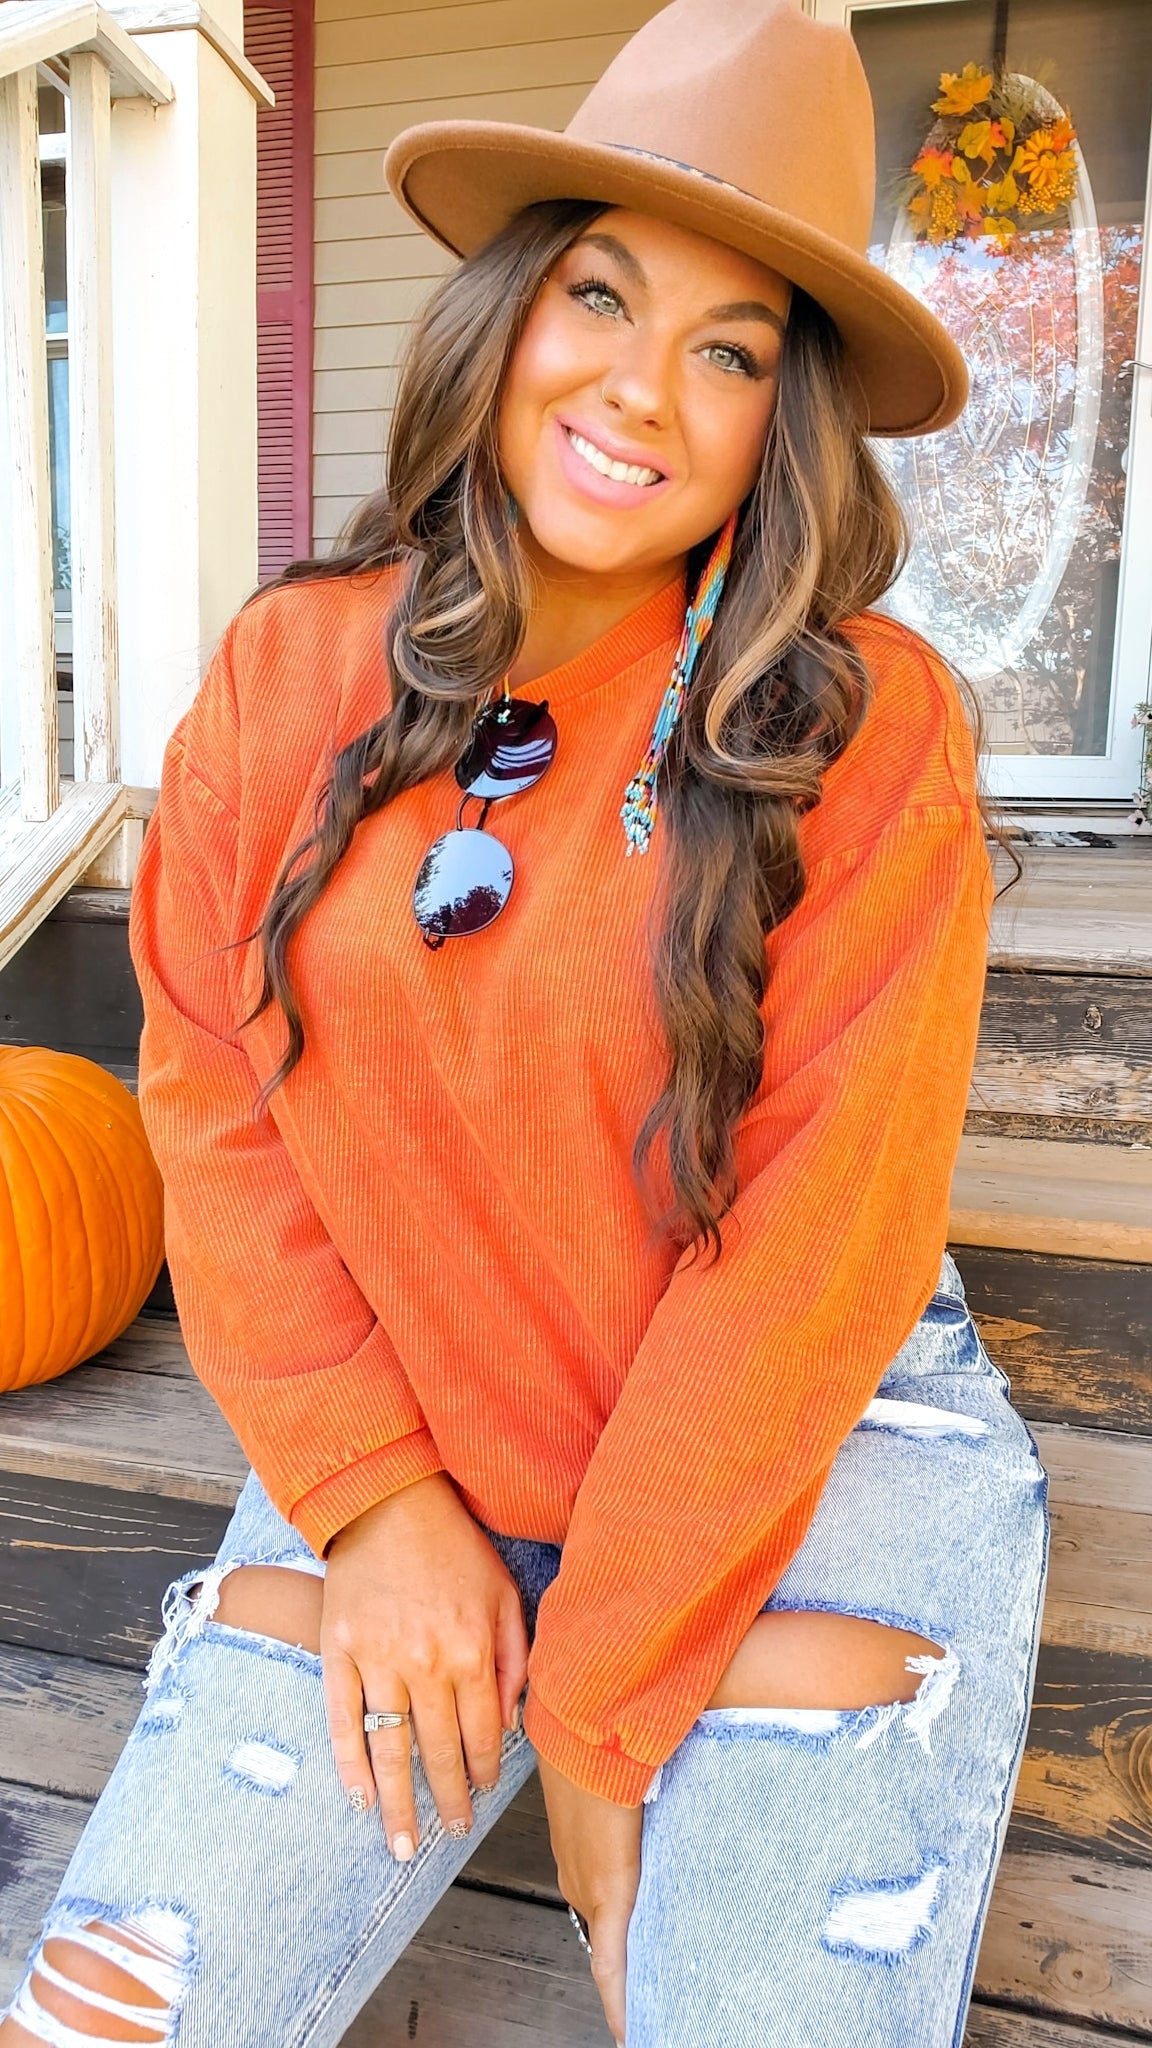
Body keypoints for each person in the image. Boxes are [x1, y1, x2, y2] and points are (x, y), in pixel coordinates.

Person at [1, 3, 1049, 2044]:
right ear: (511, 306)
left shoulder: (857, 729)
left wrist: (598, 1700)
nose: (643, 387)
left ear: (783, 419)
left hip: (805, 1442)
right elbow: (214, 1100)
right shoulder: (291, 671)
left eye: (732, 350)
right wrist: (379, 1499)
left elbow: (815, 1247)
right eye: (603, 294)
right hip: (422, 1413)